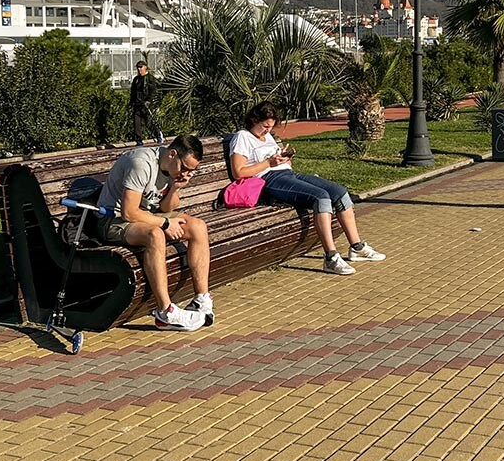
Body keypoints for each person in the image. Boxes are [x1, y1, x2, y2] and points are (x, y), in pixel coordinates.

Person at [229, 101, 386, 275]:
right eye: (265, 126)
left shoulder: (267, 137)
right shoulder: (242, 137)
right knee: (321, 197)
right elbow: (238, 172)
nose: (267, 130)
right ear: (254, 120)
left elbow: (275, 160)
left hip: (288, 174)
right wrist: (269, 163)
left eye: (271, 127)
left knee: (340, 193)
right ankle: (331, 257)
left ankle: (356, 247)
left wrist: (284, 158)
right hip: (270, 180)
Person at [97, 135, 212, 331]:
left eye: (192, 171)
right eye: (185, 168)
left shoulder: (171, 167)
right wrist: (165, 223)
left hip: (147, 215)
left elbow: (166, 206)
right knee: (155, 234)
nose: (186, 173)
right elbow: (129, 212)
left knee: (198, 227)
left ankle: (201, 300)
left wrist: (175, 187)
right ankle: (164, 312)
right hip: (113, 219)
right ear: (173, 154)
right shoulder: (141, 164)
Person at [128, 61, 164, 146]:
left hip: (146, 105)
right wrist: (131, 103)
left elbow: (153, 91)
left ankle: (158, 134)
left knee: (149, 122)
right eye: (138, 67)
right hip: (137, 105)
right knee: (136, 123)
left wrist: (149, 101)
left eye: (141, 67)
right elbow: (133, 92)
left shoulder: (150, 78)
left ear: (145, 67)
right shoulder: (136, 79)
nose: (139, 69)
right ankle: (139, 141)